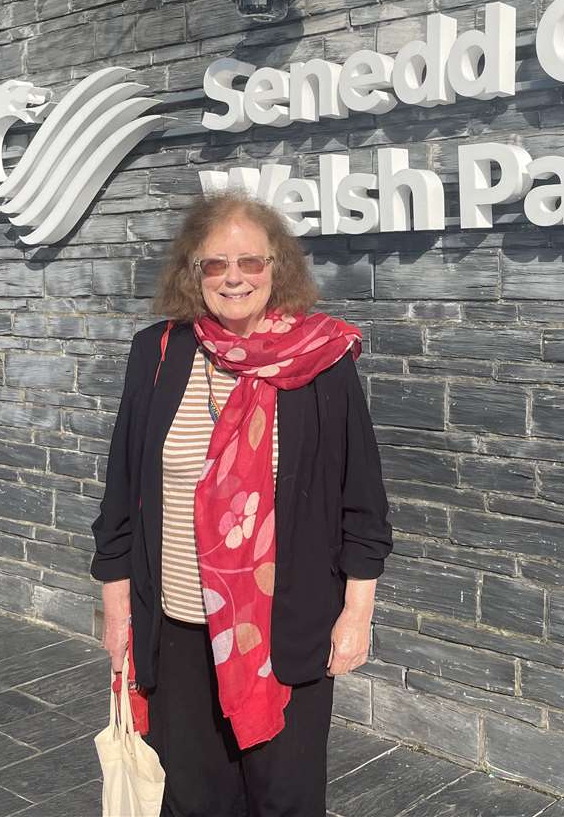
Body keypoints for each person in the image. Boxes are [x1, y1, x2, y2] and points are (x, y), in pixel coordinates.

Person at [90, 190, 392, 816]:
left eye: (251, 263)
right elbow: (122, 493)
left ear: (277, 269)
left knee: (284, 800)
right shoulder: (159, 353)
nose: (233, 278)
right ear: (191, 273)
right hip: (174, 633)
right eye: (215, 264)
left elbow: (361, 502)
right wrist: (118, 613)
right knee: (192, 802)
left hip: (283, 640)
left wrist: (357, 613)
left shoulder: (322, 361)